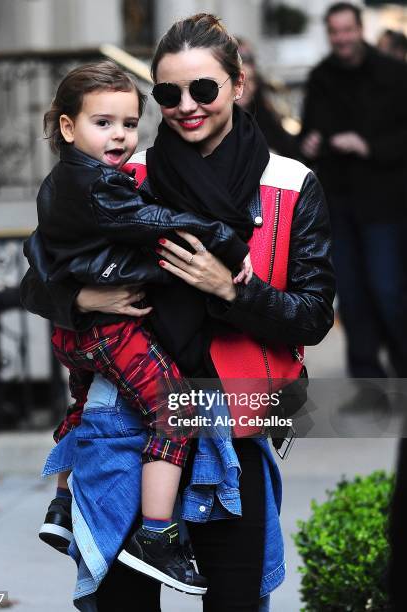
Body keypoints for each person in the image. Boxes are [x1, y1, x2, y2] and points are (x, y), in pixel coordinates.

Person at [21, 12, 335, 612]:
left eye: (204, 89)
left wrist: (232, 290)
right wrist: (85, 299)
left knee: (236, 600)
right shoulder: (121, 175)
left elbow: (313, 316)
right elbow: (38, 281)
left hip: (236, 423)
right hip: (124, 430)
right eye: (169, 93)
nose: (186, 105)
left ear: (238, 86)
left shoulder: (291, 184)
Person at [29, 59, 254, 595]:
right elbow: (145, 224)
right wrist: (216, 238)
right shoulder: (100, 184)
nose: (120, 136)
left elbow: (42, 251)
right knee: (174, 413)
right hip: (110, 330)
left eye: (129, 124)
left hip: (81, 335)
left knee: (83, 412)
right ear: (67, 127)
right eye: (102, 123)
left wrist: (76, 292)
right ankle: (158, 535)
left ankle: (63, 504)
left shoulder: (67, 180)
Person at [300, 2, 407, 388]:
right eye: (335, 32)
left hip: (385, 205)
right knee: (353, 298)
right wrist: (308, 142)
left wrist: (367, 145)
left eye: (347, 30)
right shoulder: (320, 78)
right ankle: (370, 386)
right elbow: (308, 134)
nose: (342, 38)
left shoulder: (395, 74)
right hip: (338, 204)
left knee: (389, 291)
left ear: (359, 29)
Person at [235, 40, 300, 159]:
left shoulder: (262, 109)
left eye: (251, 79)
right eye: (238, 79)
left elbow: (285, 147)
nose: (245, 86)